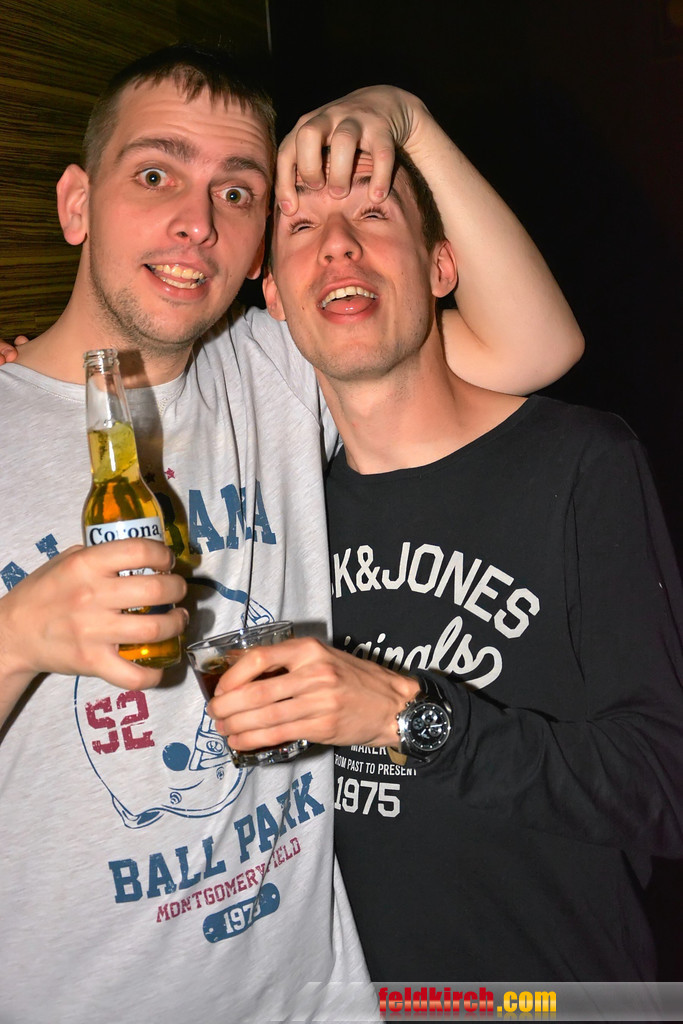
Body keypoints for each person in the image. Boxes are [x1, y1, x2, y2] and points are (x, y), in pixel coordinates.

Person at [0, 45, 582, 1022]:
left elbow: (537, 344)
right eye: (156, 175)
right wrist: (16, 636)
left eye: (237, 193)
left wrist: (404, 114)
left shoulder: (277, 367)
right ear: (76, 204)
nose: (198, 221)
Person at [209, 141, 683, 983]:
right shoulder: (282, 514)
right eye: (302, 226)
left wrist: (406, 718)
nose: (338, 243)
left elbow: (665, 787)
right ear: (274, 297)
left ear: (440, 267)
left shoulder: (578, 463)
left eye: (373, 213)